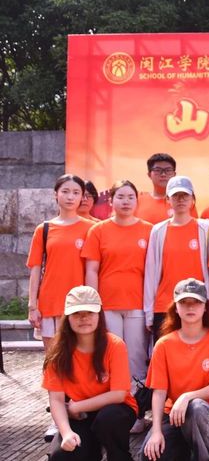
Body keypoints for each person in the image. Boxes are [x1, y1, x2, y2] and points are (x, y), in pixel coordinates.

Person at [42, 286, 138, 461]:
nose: (84, 318)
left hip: (113, 409)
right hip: (79, 417)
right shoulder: (58, 351)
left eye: (90, 312)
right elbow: (56, 399)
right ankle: (91, 451)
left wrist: (77, 407)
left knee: (109, 419)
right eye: (77, 313)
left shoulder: (115, 345)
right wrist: (66, 432)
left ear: (99, 315)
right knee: (61, 456)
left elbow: (118, 394)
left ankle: (119, 456)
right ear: (67, 317)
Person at [141, 279, 209, 461]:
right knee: (150, 454)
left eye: (196, 302)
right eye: (184, 302)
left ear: (205, 307)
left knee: (196, 408)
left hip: (208, 415)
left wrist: (186, 397)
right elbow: (159, 392)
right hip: (173, 415)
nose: (190, 307)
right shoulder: (163, 344)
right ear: (175, 307)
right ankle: (184, 448)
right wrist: (156, 431)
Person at [83, 180, 153, 396]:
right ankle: (112, 400)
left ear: (137, 201)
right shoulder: (98, 230)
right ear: (111, 201)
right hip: (107, 304)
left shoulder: (149, 230)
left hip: (137, 303)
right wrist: (94, 304)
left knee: (136, 356)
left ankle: (136, 404)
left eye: (131, 197)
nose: (126, 202)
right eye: (120, 197)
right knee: (110, 353)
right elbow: (92, 269)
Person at [27, 174, 95, 351]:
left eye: (76, 192)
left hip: (80, 303)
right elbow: (35, 268)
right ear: (55, 194)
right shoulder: (44, 229)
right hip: (50, 302)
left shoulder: (91, 229)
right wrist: (32, 306)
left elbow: (94, 269)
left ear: (82, 197)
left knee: (80, 356)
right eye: (65, 191)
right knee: (53, 358)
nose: (70, 197)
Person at [144, 176, 209, 341]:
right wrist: (148, 312)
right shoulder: (158, 231)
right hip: (165, 306)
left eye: (185, 195)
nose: (180, 200)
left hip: (198, 304)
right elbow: (151, 273)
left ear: (193, 199)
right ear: (168, 199)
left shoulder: (205, 229)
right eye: (175, 196)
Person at [136, 153, 197, 224]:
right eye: (158, 170)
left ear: (174, 174)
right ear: (149, 174)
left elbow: (193, 227)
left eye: (168, 170)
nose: (163, 174)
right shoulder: (136, 199)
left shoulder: (185, 202)